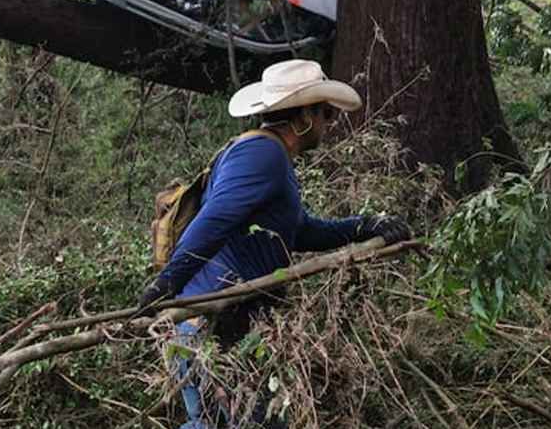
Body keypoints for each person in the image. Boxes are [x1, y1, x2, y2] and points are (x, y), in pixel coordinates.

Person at [137, 59, 412, 429]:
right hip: (214, 322)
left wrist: (365, 225)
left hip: (224, 322)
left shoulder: (268, 157)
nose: (330, 123)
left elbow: (300, 232)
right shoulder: (262, 155)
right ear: (303, 117)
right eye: (326, 113)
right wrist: (164, 284)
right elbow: (214, 221)